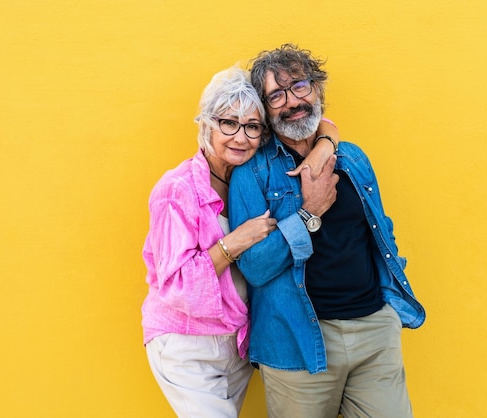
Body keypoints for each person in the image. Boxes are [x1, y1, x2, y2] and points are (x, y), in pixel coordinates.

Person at [228, 44, 426, 418]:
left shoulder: (352, 157)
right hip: (297, 343)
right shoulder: (252, 174)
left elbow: (382, 231)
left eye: (299, 86)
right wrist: (308, 213)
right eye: (276, 95)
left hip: (373, 333)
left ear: (316, 89)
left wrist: (387, 315)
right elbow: (254, 267)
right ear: (266, 111)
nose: (292, 101)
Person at [141, 65, 339, 418]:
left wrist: (326, 138)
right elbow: (180, 287)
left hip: (235, 339)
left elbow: (317, 125)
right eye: (228, 123)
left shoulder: (252, 180)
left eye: (251, 127)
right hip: (187, 342)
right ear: (206, 124)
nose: (240, 137)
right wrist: (234, 242)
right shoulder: (177, 190)